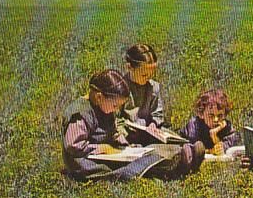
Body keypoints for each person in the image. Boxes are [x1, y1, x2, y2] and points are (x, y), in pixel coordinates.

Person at [62, 69, 204, 181]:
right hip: (86, 164)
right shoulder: (80, 113)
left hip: (106, 155)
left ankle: (180, 156)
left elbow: (112, 133)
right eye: (115, 105)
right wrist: (100, 148)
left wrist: (125, 145)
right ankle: (177, 164)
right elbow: (73, 145)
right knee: (129, 169)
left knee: (143, 152)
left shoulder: (103, 108)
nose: (116, 109)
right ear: (99, 97)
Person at [119, 44, 165, 144]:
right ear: (129, 67)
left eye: (151, 74)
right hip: (126, 136)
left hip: (148, 135)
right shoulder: (120, 88)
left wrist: (153, 124)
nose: (148, 78)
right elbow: (115, 119)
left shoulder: (153, 87)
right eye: (144, 75)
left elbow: (157, 113)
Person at [180, 89, 240, 156]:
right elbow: (192, 150)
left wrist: (214, 135)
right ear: (201, 114)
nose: (216, 119)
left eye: (220, 115)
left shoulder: (228, 128)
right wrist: (211, 151)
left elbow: (227, 149)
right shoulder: (194, 125)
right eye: (211, 115)